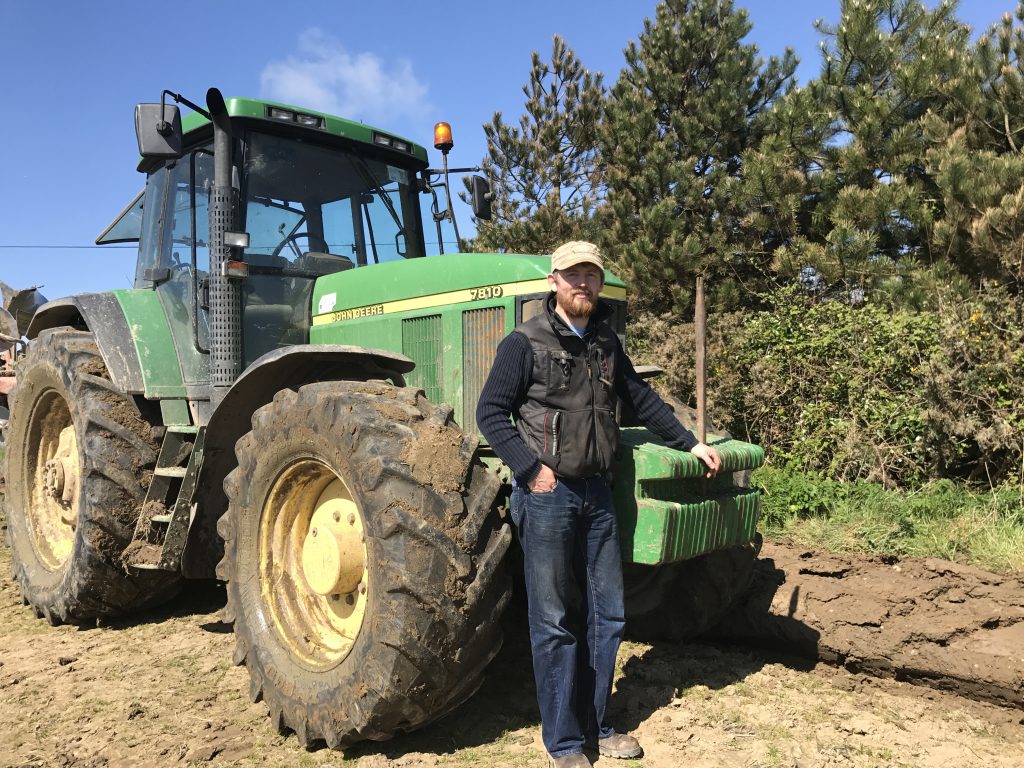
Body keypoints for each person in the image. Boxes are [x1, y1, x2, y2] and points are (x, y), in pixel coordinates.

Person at [476, 241, 721, 768]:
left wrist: (690, 442)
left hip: (596, 496)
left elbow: (641, 398)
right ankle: (564, 743)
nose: (582, 283)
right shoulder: (524, 342)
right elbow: (491, 412)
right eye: (572, 275)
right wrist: (529, 469)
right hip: (548, 497)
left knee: (606, 615)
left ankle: (597, 724)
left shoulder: (606, 341)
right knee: (554, 620)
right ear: (554, 281)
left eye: (591, 274)